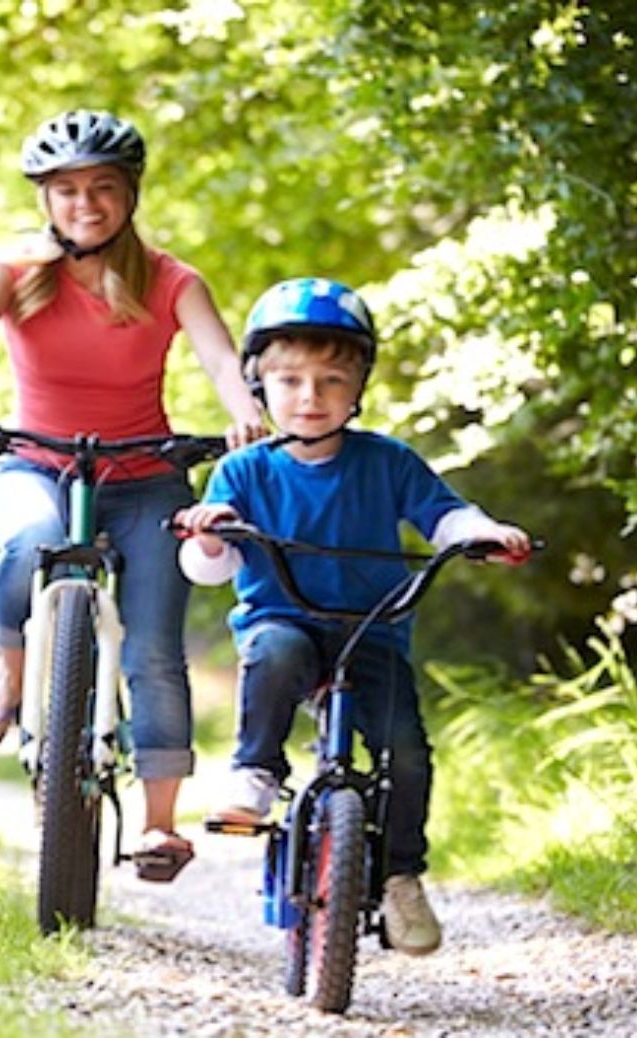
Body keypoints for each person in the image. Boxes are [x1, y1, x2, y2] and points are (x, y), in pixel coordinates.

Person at [0, 109, 266, 882]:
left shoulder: (172, 280)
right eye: (66, 190)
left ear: (130, 194)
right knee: (31, 542)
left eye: (103, 188)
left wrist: (246, 414)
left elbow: (219, 357)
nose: (85, 204)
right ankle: (11, 671)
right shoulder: (15, 272)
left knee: (154, 651)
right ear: (45, 198)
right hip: (36, 466)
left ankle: (159, 826)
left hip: (144, 481)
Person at [172, 276, 532, 953]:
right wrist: (213, 531)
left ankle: (400, 877)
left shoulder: (387, 461)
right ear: (258, 384)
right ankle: (257, 768)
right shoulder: (244, 470)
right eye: (291, 381)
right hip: (285, 620)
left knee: (406, 753)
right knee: (275, 655)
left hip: (372, 630)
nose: (311, 397)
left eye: (332, 381)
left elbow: (444, 515)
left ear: (359, 385)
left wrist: (484, 533)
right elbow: (208, 568)